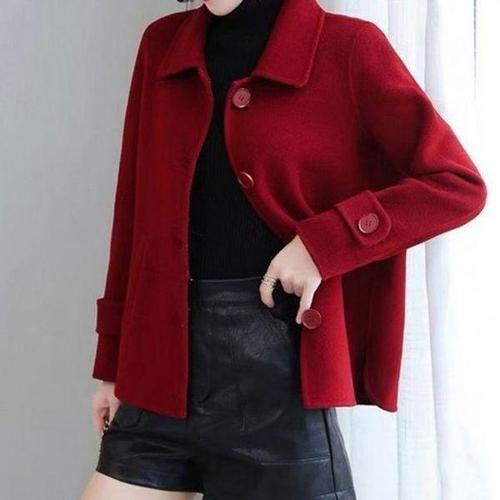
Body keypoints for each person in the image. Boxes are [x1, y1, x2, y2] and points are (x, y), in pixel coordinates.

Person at [81, 0, 487, 498]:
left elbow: (455, 184)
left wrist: (323, 245)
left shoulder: (348, 47)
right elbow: (134, 214)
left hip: (277, 385)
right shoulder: (161, 46)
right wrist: (113, 366)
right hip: (158, 377)